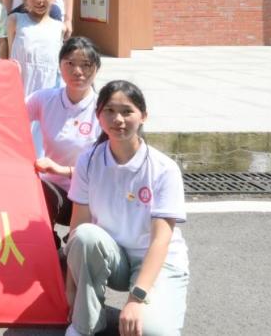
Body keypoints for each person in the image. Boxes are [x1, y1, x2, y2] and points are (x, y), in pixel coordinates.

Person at [66, 81, 189, 336]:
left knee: (153, 332)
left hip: (156, 261)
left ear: (143, 116)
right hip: (115, 257)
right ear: (98, 115)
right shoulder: (88, 161)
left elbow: (160, 241)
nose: (118, 119)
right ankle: (85, 324)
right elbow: (78, 227)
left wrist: (136, 299)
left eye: (127, 111)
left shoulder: (164, 168)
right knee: (86, 235)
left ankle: (145, 307)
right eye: (109, 111)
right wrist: (71, 288)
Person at [27, 36, 102, 249]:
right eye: (70, 63)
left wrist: (61, 170)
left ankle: (76, 245)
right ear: (60, 66)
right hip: (54, 191)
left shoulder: (104, 109)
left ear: (96, 69)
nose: (78, 71)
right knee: (35, 191)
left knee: (80, 247)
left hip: (91, 196)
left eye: (86, 64)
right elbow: (9, 117)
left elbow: (105, 167)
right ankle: (47, 244)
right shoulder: (43, 99)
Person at [8, 0, 65, 97]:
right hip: (20, 89)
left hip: (48, 92)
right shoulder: (15, 20)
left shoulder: (60, 28)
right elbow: (9, 53)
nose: (39, 0)